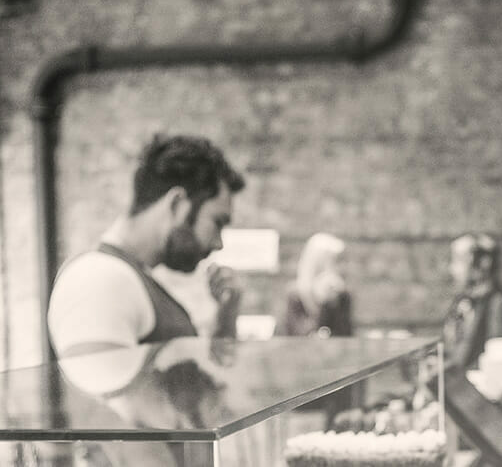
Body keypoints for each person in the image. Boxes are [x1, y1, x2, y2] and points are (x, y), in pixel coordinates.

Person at [48, 134, 246, 359]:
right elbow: (106, 392)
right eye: (217, 222)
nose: (218, 243)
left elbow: (199, 383)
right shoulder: (100, 278)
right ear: (177, 204)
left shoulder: (130, 276)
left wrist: (226, 317)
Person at [442, 233, 502, 370]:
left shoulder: (498, 304)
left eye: (459, 260)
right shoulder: (462, 302)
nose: (452, 269)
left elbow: (500, 364)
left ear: (483, 263)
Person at [282, 232, 353, 338]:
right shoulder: (294, 295)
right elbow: (294, 333)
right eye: (333, 261)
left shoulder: (342, 295)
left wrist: (329, 303)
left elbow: (344, 334)